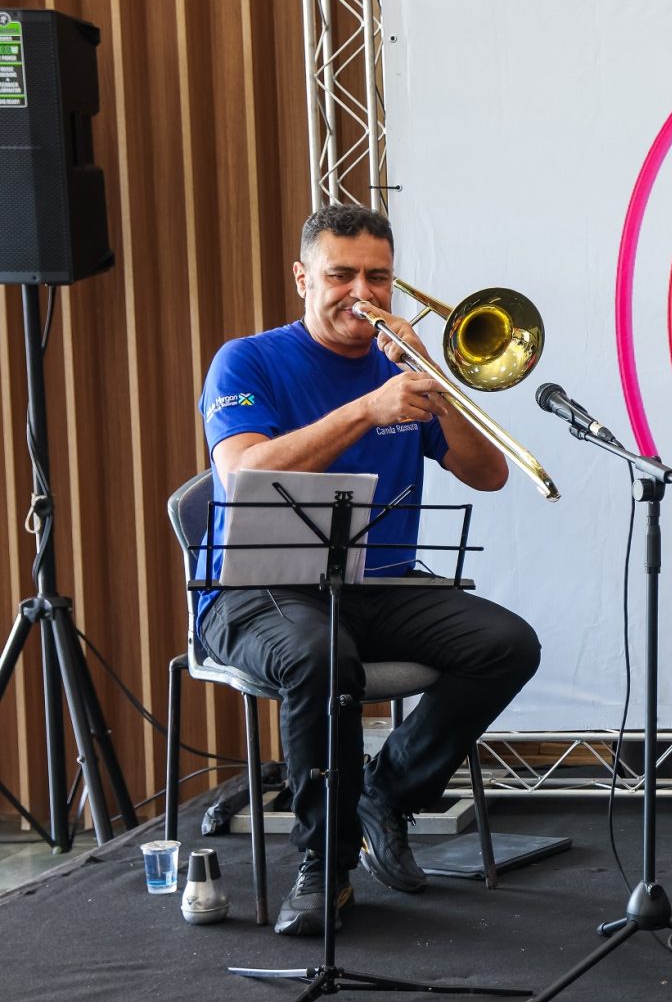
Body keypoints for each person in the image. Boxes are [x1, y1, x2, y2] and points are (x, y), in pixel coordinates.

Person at [197, 204, 542, 935]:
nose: (362, 292)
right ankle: (325, 868)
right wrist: (366, 410)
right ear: (303, 279)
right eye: (341, 275)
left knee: (507, 644)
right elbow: (242, 472)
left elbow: (488, 474)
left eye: (378, 277)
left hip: (379, 583)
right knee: (322, 657)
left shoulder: (402, 370)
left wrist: (432, 381)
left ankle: (386, 794)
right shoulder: (247, 360)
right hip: (259, 589)